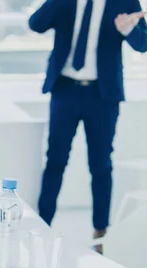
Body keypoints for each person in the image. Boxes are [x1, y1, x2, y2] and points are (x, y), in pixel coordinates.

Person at [29, 0, 147, 247]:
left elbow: (143, 44)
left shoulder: (124, 1)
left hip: (102, 95)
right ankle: (42, 225)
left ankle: (101, 232)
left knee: (101, 164)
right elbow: (36, 25)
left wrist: (128, 29)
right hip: (65, 90)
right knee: (55, 160)